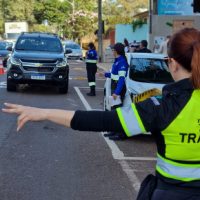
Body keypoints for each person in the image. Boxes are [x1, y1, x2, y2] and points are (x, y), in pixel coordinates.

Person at [2, 27, 200, 200]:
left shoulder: (164, 107)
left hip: (172, 193)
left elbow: (103, 121)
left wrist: (44, 112)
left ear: (172, 63)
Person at [104, 43, 129, 140]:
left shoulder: (122, 62)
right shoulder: (117, 61)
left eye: (113, 50)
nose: (112, 52)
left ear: (117, 51)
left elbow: (121, 79)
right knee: (114, 111)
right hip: (115, 87)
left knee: (119, 112)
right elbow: (115, 75)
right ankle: (114, 131)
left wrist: (117, 92)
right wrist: (105, 74)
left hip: (119, 89)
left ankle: (120, 134)